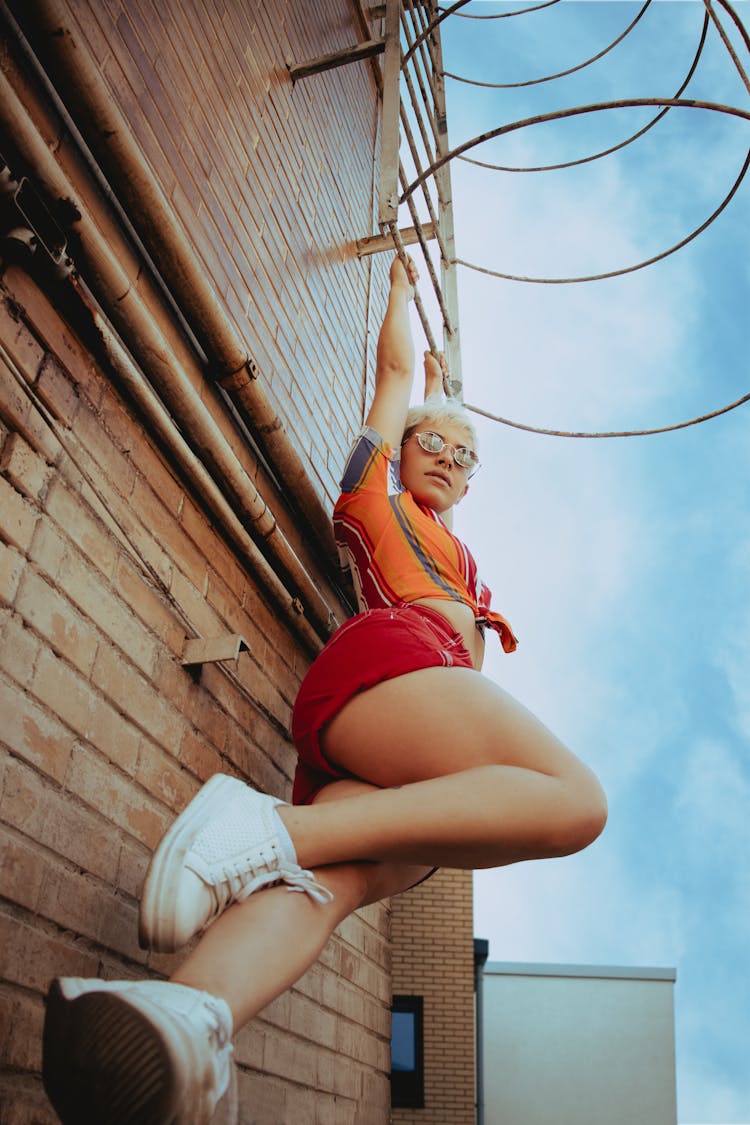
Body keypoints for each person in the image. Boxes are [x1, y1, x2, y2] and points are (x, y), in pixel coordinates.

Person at [41, 256, 607, 1124]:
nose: (452, 462)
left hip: (411, 737)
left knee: (329, 883)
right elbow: (392, 381)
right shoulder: (371, 499)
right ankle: (269, 826)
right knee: (575, 801)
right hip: (391, 664)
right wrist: (402, 299)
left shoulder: (451, 544)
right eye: (435, 444)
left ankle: (189, 1015)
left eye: (467, 458)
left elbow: (439, 421)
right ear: (401, 450)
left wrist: (447, 392)